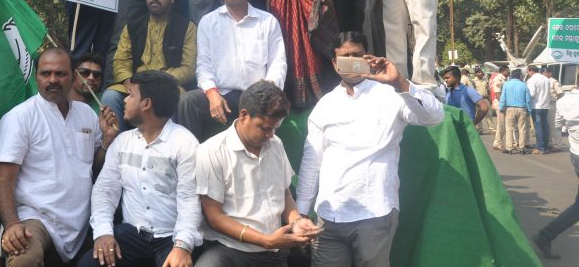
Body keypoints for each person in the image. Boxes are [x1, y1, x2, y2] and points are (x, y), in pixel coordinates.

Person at [296, 31, 445, 267]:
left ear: (367, 58)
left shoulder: (391, 95)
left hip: (376, 212)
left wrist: (401, 82)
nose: (351, 60)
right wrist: (301, 212)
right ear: (335, 64)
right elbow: (312, 161)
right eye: (344, 57)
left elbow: (434, 117)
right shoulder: (325, 106)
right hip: (329, 215)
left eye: (357, 55)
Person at [0, 48, 119, 266]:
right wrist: (13, 224)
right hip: (36, 218)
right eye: (46, 73)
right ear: (37, 77)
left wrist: (107, 141)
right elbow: (4, 179)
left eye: (60, 74)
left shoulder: (87, 114)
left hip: (80, 222)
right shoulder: (19, 117)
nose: (52, 79)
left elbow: (94, 164)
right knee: (24, 259)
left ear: (73, 76)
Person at [79, 71, 201, 267]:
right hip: (131, 235)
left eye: (130, 94)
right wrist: (103, 232)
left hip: (171, 238)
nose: (125, 100)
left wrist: (182, 245)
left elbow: (190, 200)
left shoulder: (185, 144)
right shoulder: (122, 142)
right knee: (88, 265)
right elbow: (104, 191)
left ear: (146, 103)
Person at [194, 80, 320, 266]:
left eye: (275, 128)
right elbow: (214, 217)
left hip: (274, 251)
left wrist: (296, 221)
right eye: (265, 128)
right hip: (229, 251)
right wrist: (265, 240)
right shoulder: (211, 151)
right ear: (244, 115)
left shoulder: (275, 144)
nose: (270, 135)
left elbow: (284, 194)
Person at [177, 0, 286, 140]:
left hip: (257, 96)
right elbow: (203, 65)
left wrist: (266, 92)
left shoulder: (267, 21)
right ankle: (190, 163)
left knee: (271, 106)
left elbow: (278, 62)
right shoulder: (208, 22)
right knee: (186, 102)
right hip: (222, 94)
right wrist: (212, 93)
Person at [102, 0, 196, 131]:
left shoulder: (187, 27)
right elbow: (120, 61)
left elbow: (189, 68)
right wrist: (129, 82)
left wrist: (160, 82)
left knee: (181, 99)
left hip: (168, 86)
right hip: (134, 85)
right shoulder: (132, 26)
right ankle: (116, 144)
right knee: (110, 96)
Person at [532, 86, 579, 259]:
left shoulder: (563, 101)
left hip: (575, 154)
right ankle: (546, 235)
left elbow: (559, 125)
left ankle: (546, 235)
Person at [499, 69, 532, 154]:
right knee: (522, 129)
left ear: (512, 76)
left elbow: (503, 97)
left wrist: (501, 107)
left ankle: (509, 148)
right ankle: (521, 147)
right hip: (522, 108)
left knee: (509, 129)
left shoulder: (506, 84)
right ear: (520, 76)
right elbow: (528, 99)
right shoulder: (524, 85)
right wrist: (529, 110)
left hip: (510, 109)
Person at [526, 65, 552, 154]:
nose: (527, 74)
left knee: (538, 127)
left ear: (531, 71)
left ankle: (540, 148)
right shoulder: (546, 79)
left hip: (536, 106)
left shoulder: (532, 80)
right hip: (545, 105)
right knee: (545, 126)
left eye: (528, 71)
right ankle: (545, 146)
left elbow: (531, 94)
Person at [544, 68, 565, 149]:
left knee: (554, 126)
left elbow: (560, 93)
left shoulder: (554, 82)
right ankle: (550, 143)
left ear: (550, 73)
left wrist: (557, 102)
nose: (544, 74)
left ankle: (557, 145)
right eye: (543, 73)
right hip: (545, 105)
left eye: (545, 73)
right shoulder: (544, 81)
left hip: (552, 105)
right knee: (548, 126)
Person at [472, 67, 495, 133]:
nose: (480, 73)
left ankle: (492, 129)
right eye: (478, 72)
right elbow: (473, 91)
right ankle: (480, 129)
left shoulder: (485, 80)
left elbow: (488, 90)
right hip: (478, 100)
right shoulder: (473, 81)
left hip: (486, 98)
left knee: (489, 114)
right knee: (479, 114)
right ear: (475, 74)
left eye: (481, 72)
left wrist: (490, 98)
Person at [491, 65, 510, 150]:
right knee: (501, 124)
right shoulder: (498, 79)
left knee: (503, 124)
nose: (509, 72)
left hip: (504, 103)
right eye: (507, 70)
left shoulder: (505, 79)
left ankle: (500, 141)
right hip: (500, 103)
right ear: (503, 71)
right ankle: (497, 142)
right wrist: (503, 104)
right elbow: (498, 93)